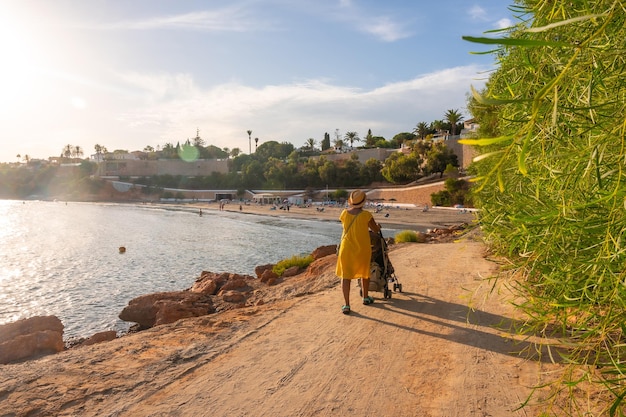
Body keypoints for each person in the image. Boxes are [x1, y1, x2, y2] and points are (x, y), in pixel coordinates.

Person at [335, 189, 381, 315]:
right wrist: (379, 227)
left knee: (346, 276)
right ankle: (365, 297)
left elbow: (345, 226)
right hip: (362, 248)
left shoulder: (344, 213)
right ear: (363, 202)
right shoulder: (366, 215)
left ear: (351, 201)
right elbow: (375, 230)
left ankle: (346, 305)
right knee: (364, 273)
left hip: (347, 248)